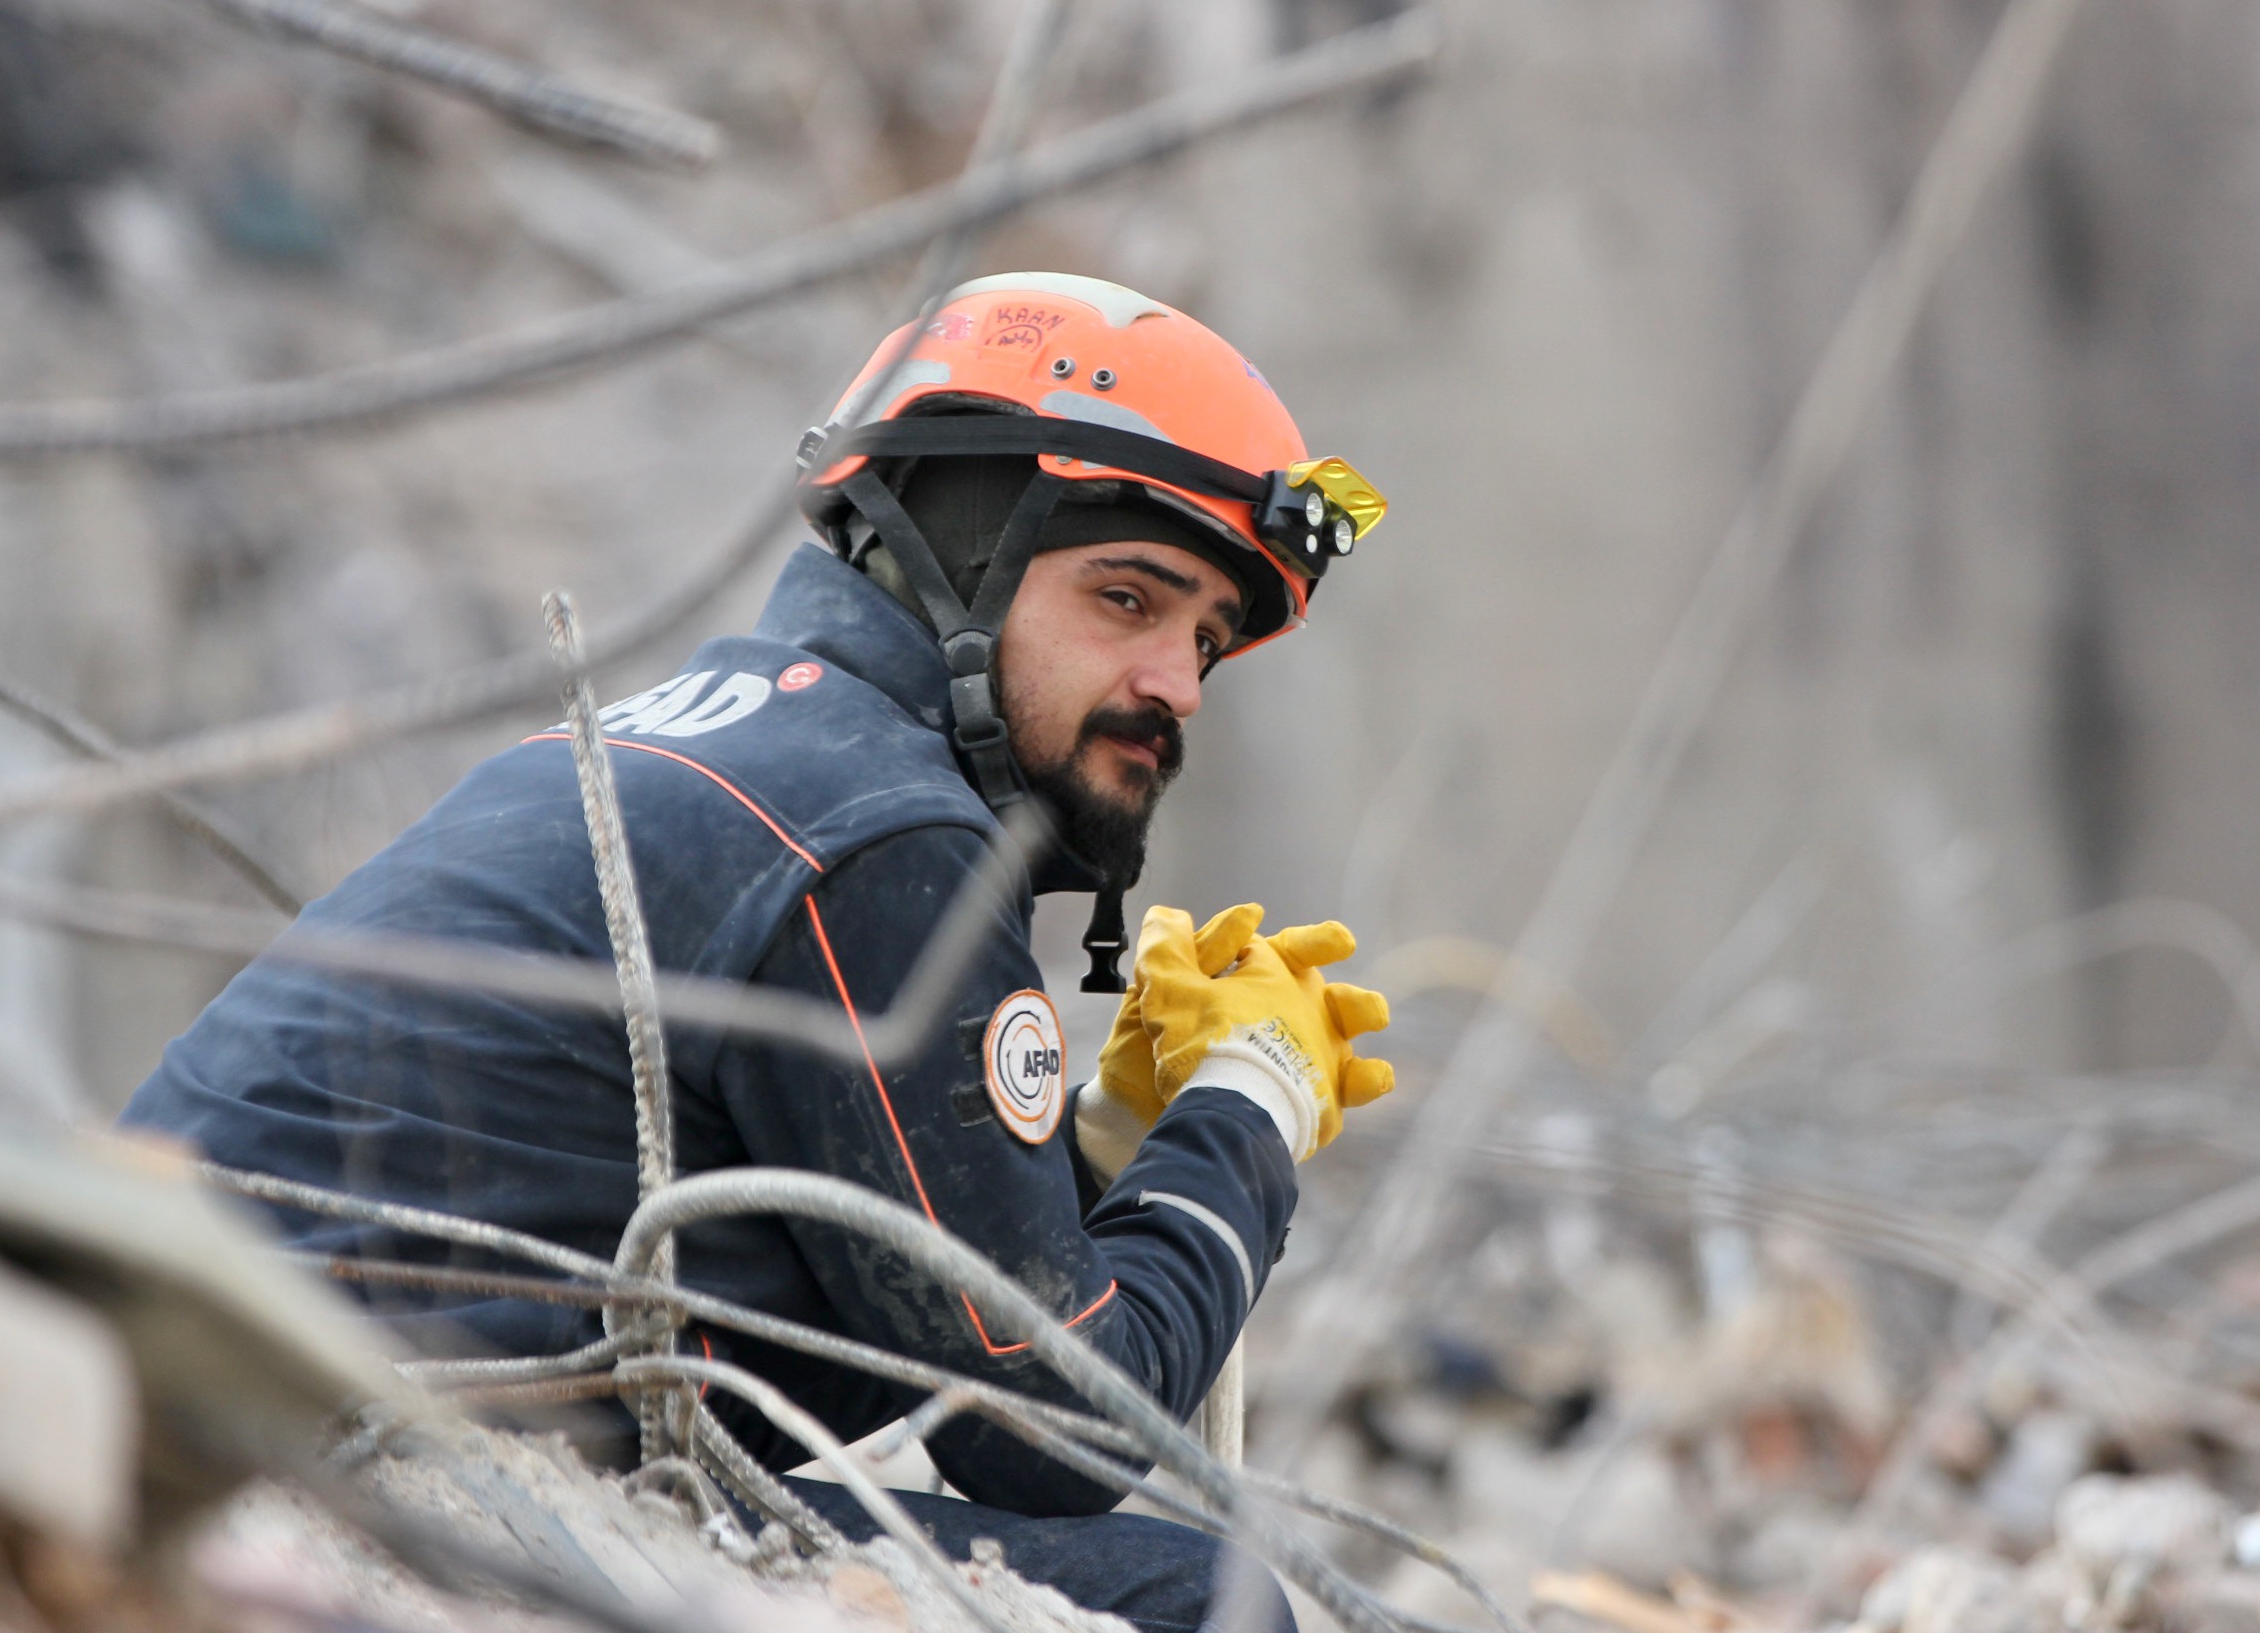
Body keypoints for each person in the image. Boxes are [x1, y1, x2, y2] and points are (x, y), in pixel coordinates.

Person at [121, 272, 1399, 1633]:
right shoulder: (882, 835)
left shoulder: (700, 747)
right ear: (959, 552)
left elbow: (885, 1298)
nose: (1177, 684)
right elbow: (1056, 1434)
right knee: (1197, 1601)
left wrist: (1109, 1135)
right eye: (1128, 599)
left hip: (199, 1423)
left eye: (1207, 638)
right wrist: (1250, 1102)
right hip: (349, 1494)